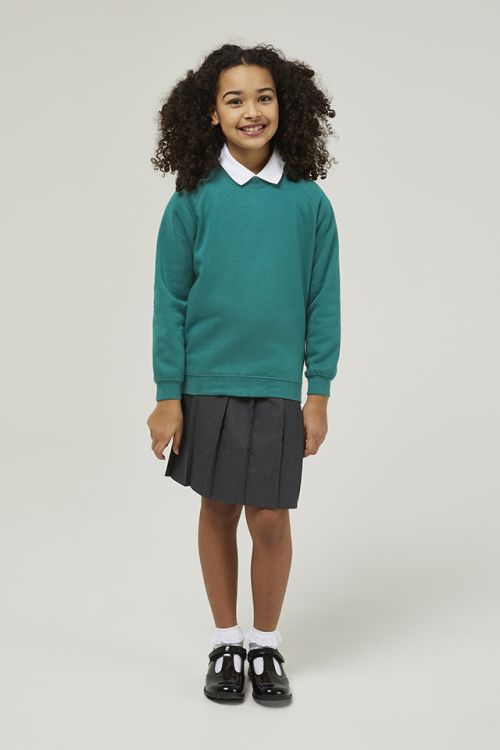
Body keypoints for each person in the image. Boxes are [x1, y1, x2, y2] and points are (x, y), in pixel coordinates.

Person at [146, 43, 341, 705]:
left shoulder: (309, 203)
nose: (251, 111)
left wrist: (319, 393)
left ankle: (266, 644)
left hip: (277, 386)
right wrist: (167, 395)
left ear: (286, 106)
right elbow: (170, 300)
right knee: (218, 507)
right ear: (211, 113)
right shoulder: (191, 201)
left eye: (264, 97)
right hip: (205, 383)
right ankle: (226, 640)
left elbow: (322, 301)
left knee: (271, 520)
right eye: (234, 99)